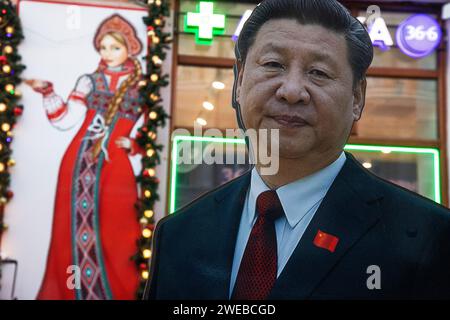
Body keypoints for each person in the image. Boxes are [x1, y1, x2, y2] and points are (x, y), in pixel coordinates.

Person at [145, 0, 450, 300]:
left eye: (318, 72)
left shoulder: (429, 238)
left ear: (357, 97)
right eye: (273, 65)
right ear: (238, 81)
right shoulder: (179, 235)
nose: (291, 91)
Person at [26, 14, 145, 300]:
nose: (107, 54)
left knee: (121, 236)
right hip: (78, 165)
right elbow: (66, 119)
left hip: (117, 169)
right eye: (103, 48)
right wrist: (48, 93)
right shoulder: (88, 81)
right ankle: (74, 293)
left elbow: (156, 129)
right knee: (72, 232)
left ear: (129, 47)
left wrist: (134, 143)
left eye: (114, 47)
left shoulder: (144, 85)